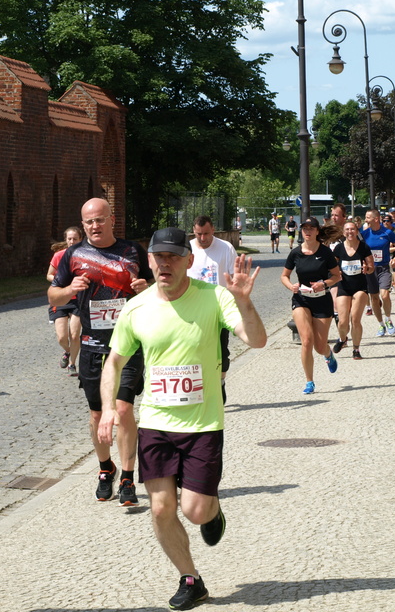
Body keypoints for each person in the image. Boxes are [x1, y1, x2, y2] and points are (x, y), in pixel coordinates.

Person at [97, 228, 266, 611]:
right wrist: (109, 408)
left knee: (195, 510)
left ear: (189, 261)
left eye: (173, 256)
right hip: (156, 422)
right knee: (160, 508)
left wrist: (244, 303)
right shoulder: (137, 307)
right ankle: (190, 579)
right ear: (151, 260)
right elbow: (115, 361)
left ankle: (212, 510)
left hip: (203, 424)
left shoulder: (214, 297)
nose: (165, 264)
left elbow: (255, 341)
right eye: (159, 257)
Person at [48, 198, 152, 505]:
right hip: (93, 346)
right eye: (89, 222)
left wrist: (145, 289)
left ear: (111, 219)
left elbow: (154, 285)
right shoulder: (73, 255)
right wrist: (69, 291)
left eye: (100, 220)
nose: (95, 226)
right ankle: (105, 467)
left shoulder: (132, 251)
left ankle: (128, 477)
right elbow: (53, 292)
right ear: (83, 225)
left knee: (122, 409)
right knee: (97, 413)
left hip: (128, 342)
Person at [281, 217, 342, 394]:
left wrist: (323, 284)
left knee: (319, 345)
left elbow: (337, 276)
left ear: (317, 231)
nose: (307, 231)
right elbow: (284, 276)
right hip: (301, 299)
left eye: (310, 228)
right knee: (306, 340)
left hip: (322, 300)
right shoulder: (295, 253)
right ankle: (309, 381)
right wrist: (291, 286)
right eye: (304, 229)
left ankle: (328, 354)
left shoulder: (325, 253)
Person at [187, 215, 238, 403]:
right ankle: (199, 389)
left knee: (221, 351)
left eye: (206, 234)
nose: (202, 238)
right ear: (194, 231)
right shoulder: (187, 249)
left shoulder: (225, 248)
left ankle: (221, 381)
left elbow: (234, 278)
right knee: (194, 350)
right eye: (199, 234)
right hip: (192, 309)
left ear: (213, 230)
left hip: (219, 309)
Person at [331, 220, 374, 359]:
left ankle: (356, 349)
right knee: (342, 321)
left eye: (353, 229)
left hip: (360, 287)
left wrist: (367, 268)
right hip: (343, 287)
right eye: (347, 230)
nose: (350, 232)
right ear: (343, 232)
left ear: (357, 231)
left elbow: (371, 266)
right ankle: (343, 339)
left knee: (355, 319)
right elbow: (331, 266)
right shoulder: (338, 248)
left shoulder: (364, 247)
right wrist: (336, 272)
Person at [360, 210, 395, 337]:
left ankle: (388, 319)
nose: (365, 219)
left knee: (385, 295)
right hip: (370, 270)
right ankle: (380, 324)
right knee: (374, 298)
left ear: (376, 219)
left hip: (384, 268)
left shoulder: (388, 232)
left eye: (368, 217)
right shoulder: (364, 234)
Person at [46, 227, 84, 376]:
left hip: (78, 299)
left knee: (74, 335)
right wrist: (62, 281)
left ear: (80, 240)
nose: (72, 241)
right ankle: (68, 351)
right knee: (62, 337)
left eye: (75, 239)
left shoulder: (85, 256)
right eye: (69, 239)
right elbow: (49, 275)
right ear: (66, 240)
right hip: (61, 298)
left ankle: (72, 364)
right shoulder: (59, 255)